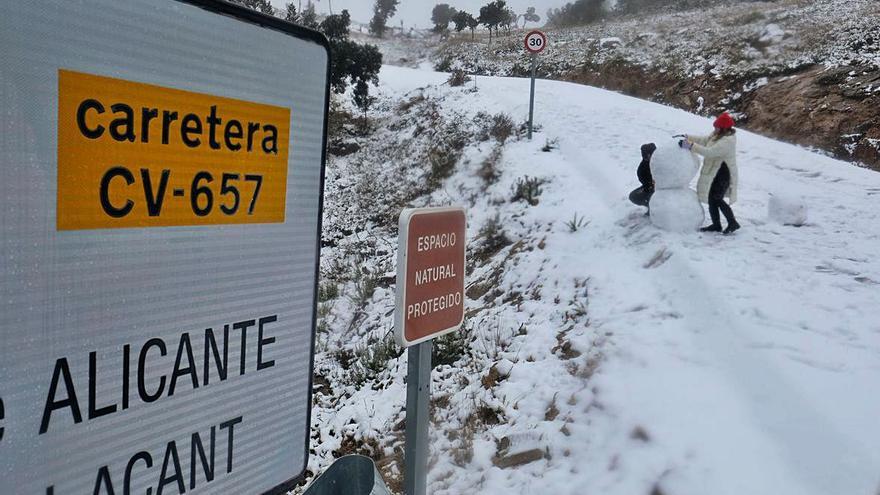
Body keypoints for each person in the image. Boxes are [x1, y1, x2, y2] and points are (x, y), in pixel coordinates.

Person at [680, 113, 741, 234]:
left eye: (717, 127)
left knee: (717, 198)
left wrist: (690, 146)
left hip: (724, 172)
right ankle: (716, 225)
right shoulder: (717, 135)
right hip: (715, 171)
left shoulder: (728, 141)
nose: (715, 129)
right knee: (712, 198)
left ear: (724, 128)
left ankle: (732, 223)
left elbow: (710, 152)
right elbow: (704, 140)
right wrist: (688, 137)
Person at [628, 143, 657, 215]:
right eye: (646, 156)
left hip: (670, 188)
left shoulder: (663, 160)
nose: (649, 157)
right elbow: (646, 185)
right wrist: (651, 184)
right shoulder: (642, 169)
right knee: (633, 196)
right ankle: (653, 207)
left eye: (651, 154)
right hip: (653, 188)